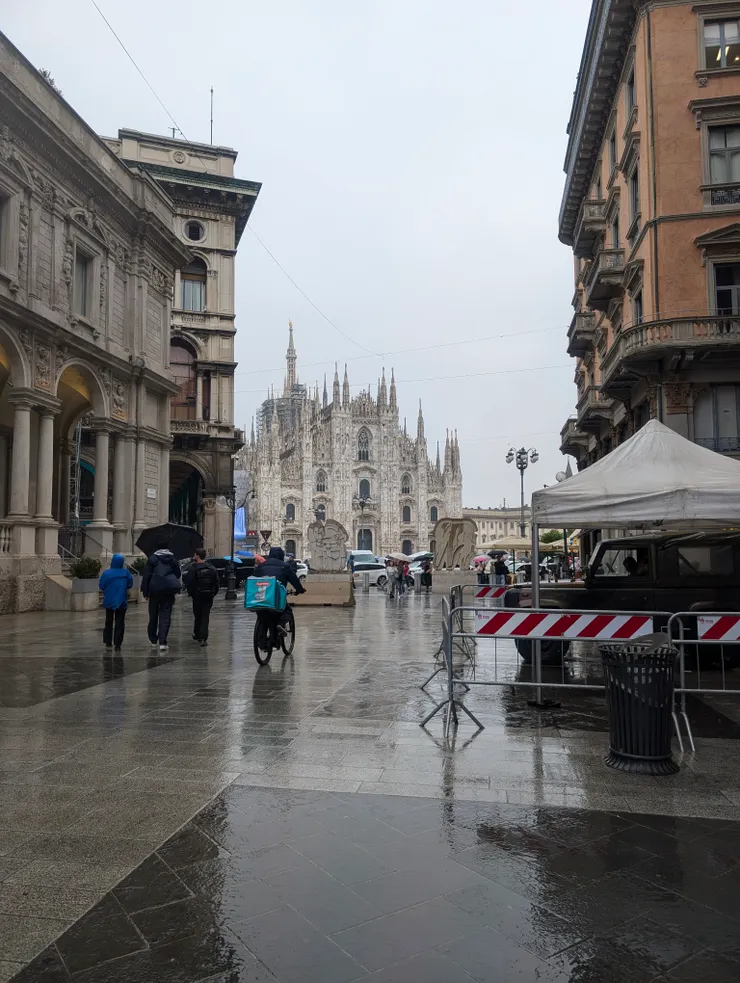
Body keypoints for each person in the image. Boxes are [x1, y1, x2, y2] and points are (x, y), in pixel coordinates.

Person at [141, 540, 182, 652]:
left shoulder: (152, 559)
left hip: (154, 591)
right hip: (168, 591)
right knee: (165, 615)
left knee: (153, 615)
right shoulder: (173, 559)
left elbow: (147, 576)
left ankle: (153, 639)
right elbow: (177, 574)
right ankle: (163, 641)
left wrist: (145, 591)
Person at [257, 546, 306, 630]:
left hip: (262, 595)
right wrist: (300, 589)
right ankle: (281, 623)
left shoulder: (261, 566)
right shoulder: (285, 566)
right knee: (287, 610)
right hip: (278, 594)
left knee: (262, 611)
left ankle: (260, 634)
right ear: (281, 556)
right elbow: (294, 580)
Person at [183, 547, 220, 647]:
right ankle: (203, 637)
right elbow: (217, 583)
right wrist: (212, 593)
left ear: (197, 556)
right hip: (208, 596)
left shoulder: (192, 568)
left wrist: (191, 593)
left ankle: (198, 634)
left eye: (195, 554)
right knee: (205, 616)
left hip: (197, 596)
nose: (194, 556)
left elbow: (189, 583)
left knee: (197, 615)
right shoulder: (211, 568)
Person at [99, 553, 133, 652]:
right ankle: (118, 643)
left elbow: (101, 585)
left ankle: (108, 641)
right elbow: (130, 584)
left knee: (108, 620)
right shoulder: (126, 573)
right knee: (120, 621)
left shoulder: (106, 573)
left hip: (109, 600)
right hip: (121, 600)